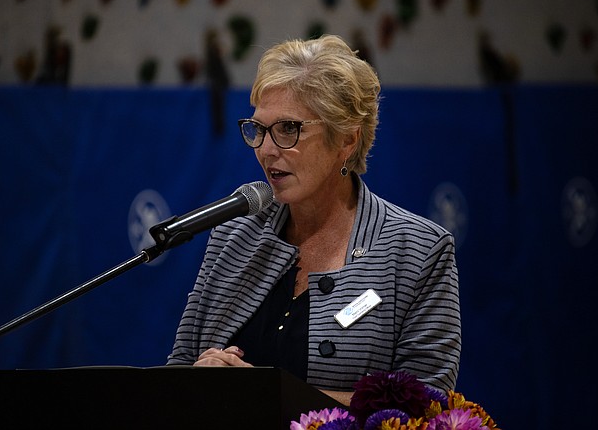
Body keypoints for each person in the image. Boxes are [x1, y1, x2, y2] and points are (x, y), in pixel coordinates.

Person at [166, 34, 461, 406]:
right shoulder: (235, 233)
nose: (267, 149)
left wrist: (264, 395)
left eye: (289, 128)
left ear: (347, 140)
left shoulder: (418, 252)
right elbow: (177, 372)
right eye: (258, 129)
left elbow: (425, 407)